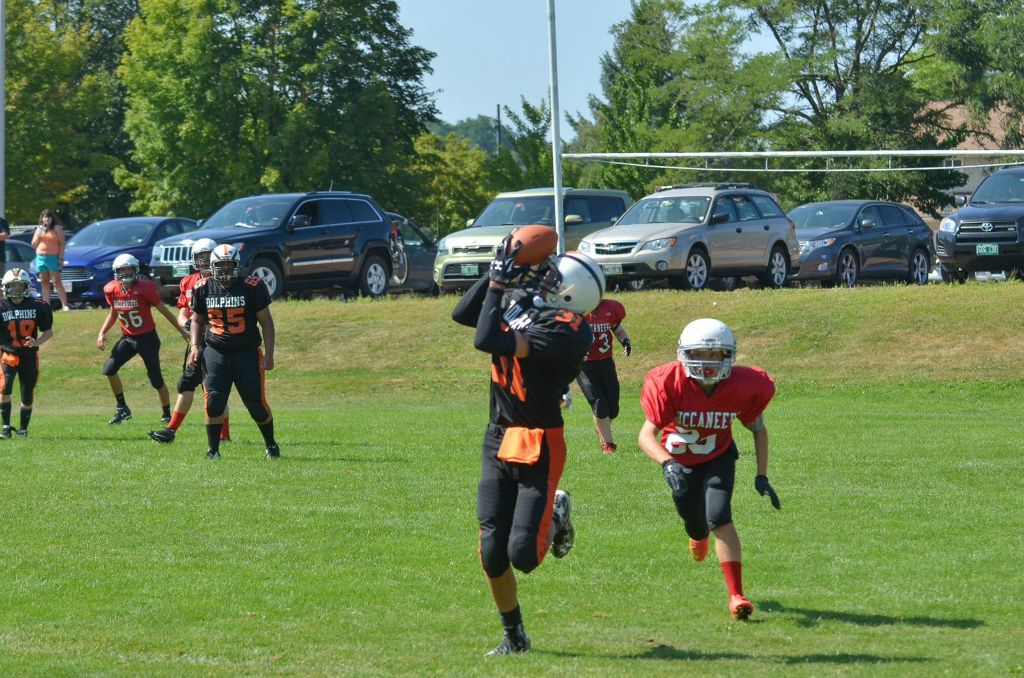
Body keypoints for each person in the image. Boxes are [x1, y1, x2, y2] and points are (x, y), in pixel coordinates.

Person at [452, 240, 604, 656]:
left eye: (552, 277)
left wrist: (499, 285)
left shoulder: (568, 330)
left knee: (523, 555)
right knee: (491, 552)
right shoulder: (527, 302)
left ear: (569, 294)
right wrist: (496, 270)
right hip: (498, 435)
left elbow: (486, 338)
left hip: (540, 442)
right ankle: (515, 636)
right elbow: (463, 314)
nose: (542, 278)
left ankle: (556, 512)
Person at [637, 318, 781, 621]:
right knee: (694, 521)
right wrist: (667, 463)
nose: (707, 363)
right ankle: (697, 535)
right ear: (684, 354)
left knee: (719, 517)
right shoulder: (669, 382)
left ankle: (736, 595)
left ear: (728, 356)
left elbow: (758, 429)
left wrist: (762, 474)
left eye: (715, 355)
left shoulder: (742, 386)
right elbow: (645, 436)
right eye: (699, 354)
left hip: (718, 456)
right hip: (681, 462)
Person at [188, 243, 279, 460]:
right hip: (215, 352)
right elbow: (197, 320)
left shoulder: (252, 286)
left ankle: (271, 444)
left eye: (230, 265)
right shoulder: (202, 287)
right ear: (212, 266)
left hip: (246, 353)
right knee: (214, 402)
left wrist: (269, 354)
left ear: (238, 265)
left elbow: (266, 322)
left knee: (255, 405)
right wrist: (195, 346)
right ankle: (213, 450)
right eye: (221, 266)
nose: (225, 270)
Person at [147, 238, 231, 444]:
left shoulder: (224, 280)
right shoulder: (187, 281)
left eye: (207, 256)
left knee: (212, 388)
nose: (203, 261)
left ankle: (223, 435)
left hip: (217, 340)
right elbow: (183, 313)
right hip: (196, 342)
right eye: (200, 257)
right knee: (187, 383)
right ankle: (171, 430)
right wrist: (188, 325)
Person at [96, 253, 188, 425]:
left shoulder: (145, 288)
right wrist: (102, 333)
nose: (126, 273)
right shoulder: (111, 289)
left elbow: (164, 311)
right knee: (109, 369)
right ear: (116, 272)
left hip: (147, 339)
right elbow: (113, 313)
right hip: (128, 338)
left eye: (129, 269)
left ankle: (166, 413)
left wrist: (182, 331)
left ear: (136, 270)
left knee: (156, 379)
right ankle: (122, 408)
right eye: (122, 270)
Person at [0, 269, 54, 437]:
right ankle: (6, 428)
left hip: (29, 356)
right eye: (13, 285)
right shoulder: (2, 306)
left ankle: (23, 430)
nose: (16, 288)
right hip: (8, 354)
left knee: (27, 393)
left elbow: (48, 331)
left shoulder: (39, 305)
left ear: (27, 286)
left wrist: (37, 342)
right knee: (4, 388)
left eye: (20, 285)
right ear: (6, 287)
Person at [576, 298, 631, 453]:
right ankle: (608, 444)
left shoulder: (610, 308)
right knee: (598, 402)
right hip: (584, 365)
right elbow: (563, 336)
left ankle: (602, 427)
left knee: (613, 408)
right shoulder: (575, 310)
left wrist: (625, 341)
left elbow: (618, 329)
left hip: (606, 362)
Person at [31, 209, 70, 311]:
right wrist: (39, 236)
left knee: (56, 281)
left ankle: (64, 305)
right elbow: (34, 244)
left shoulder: (57, 228)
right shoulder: (39, 229)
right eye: (44, 217)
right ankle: (46, 305)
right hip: (41, 257)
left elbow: (62, 243)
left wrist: (60, 258)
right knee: (44, 282)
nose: (46, 219)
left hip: (53, 257)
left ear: (52, 218)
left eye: (48, 217)